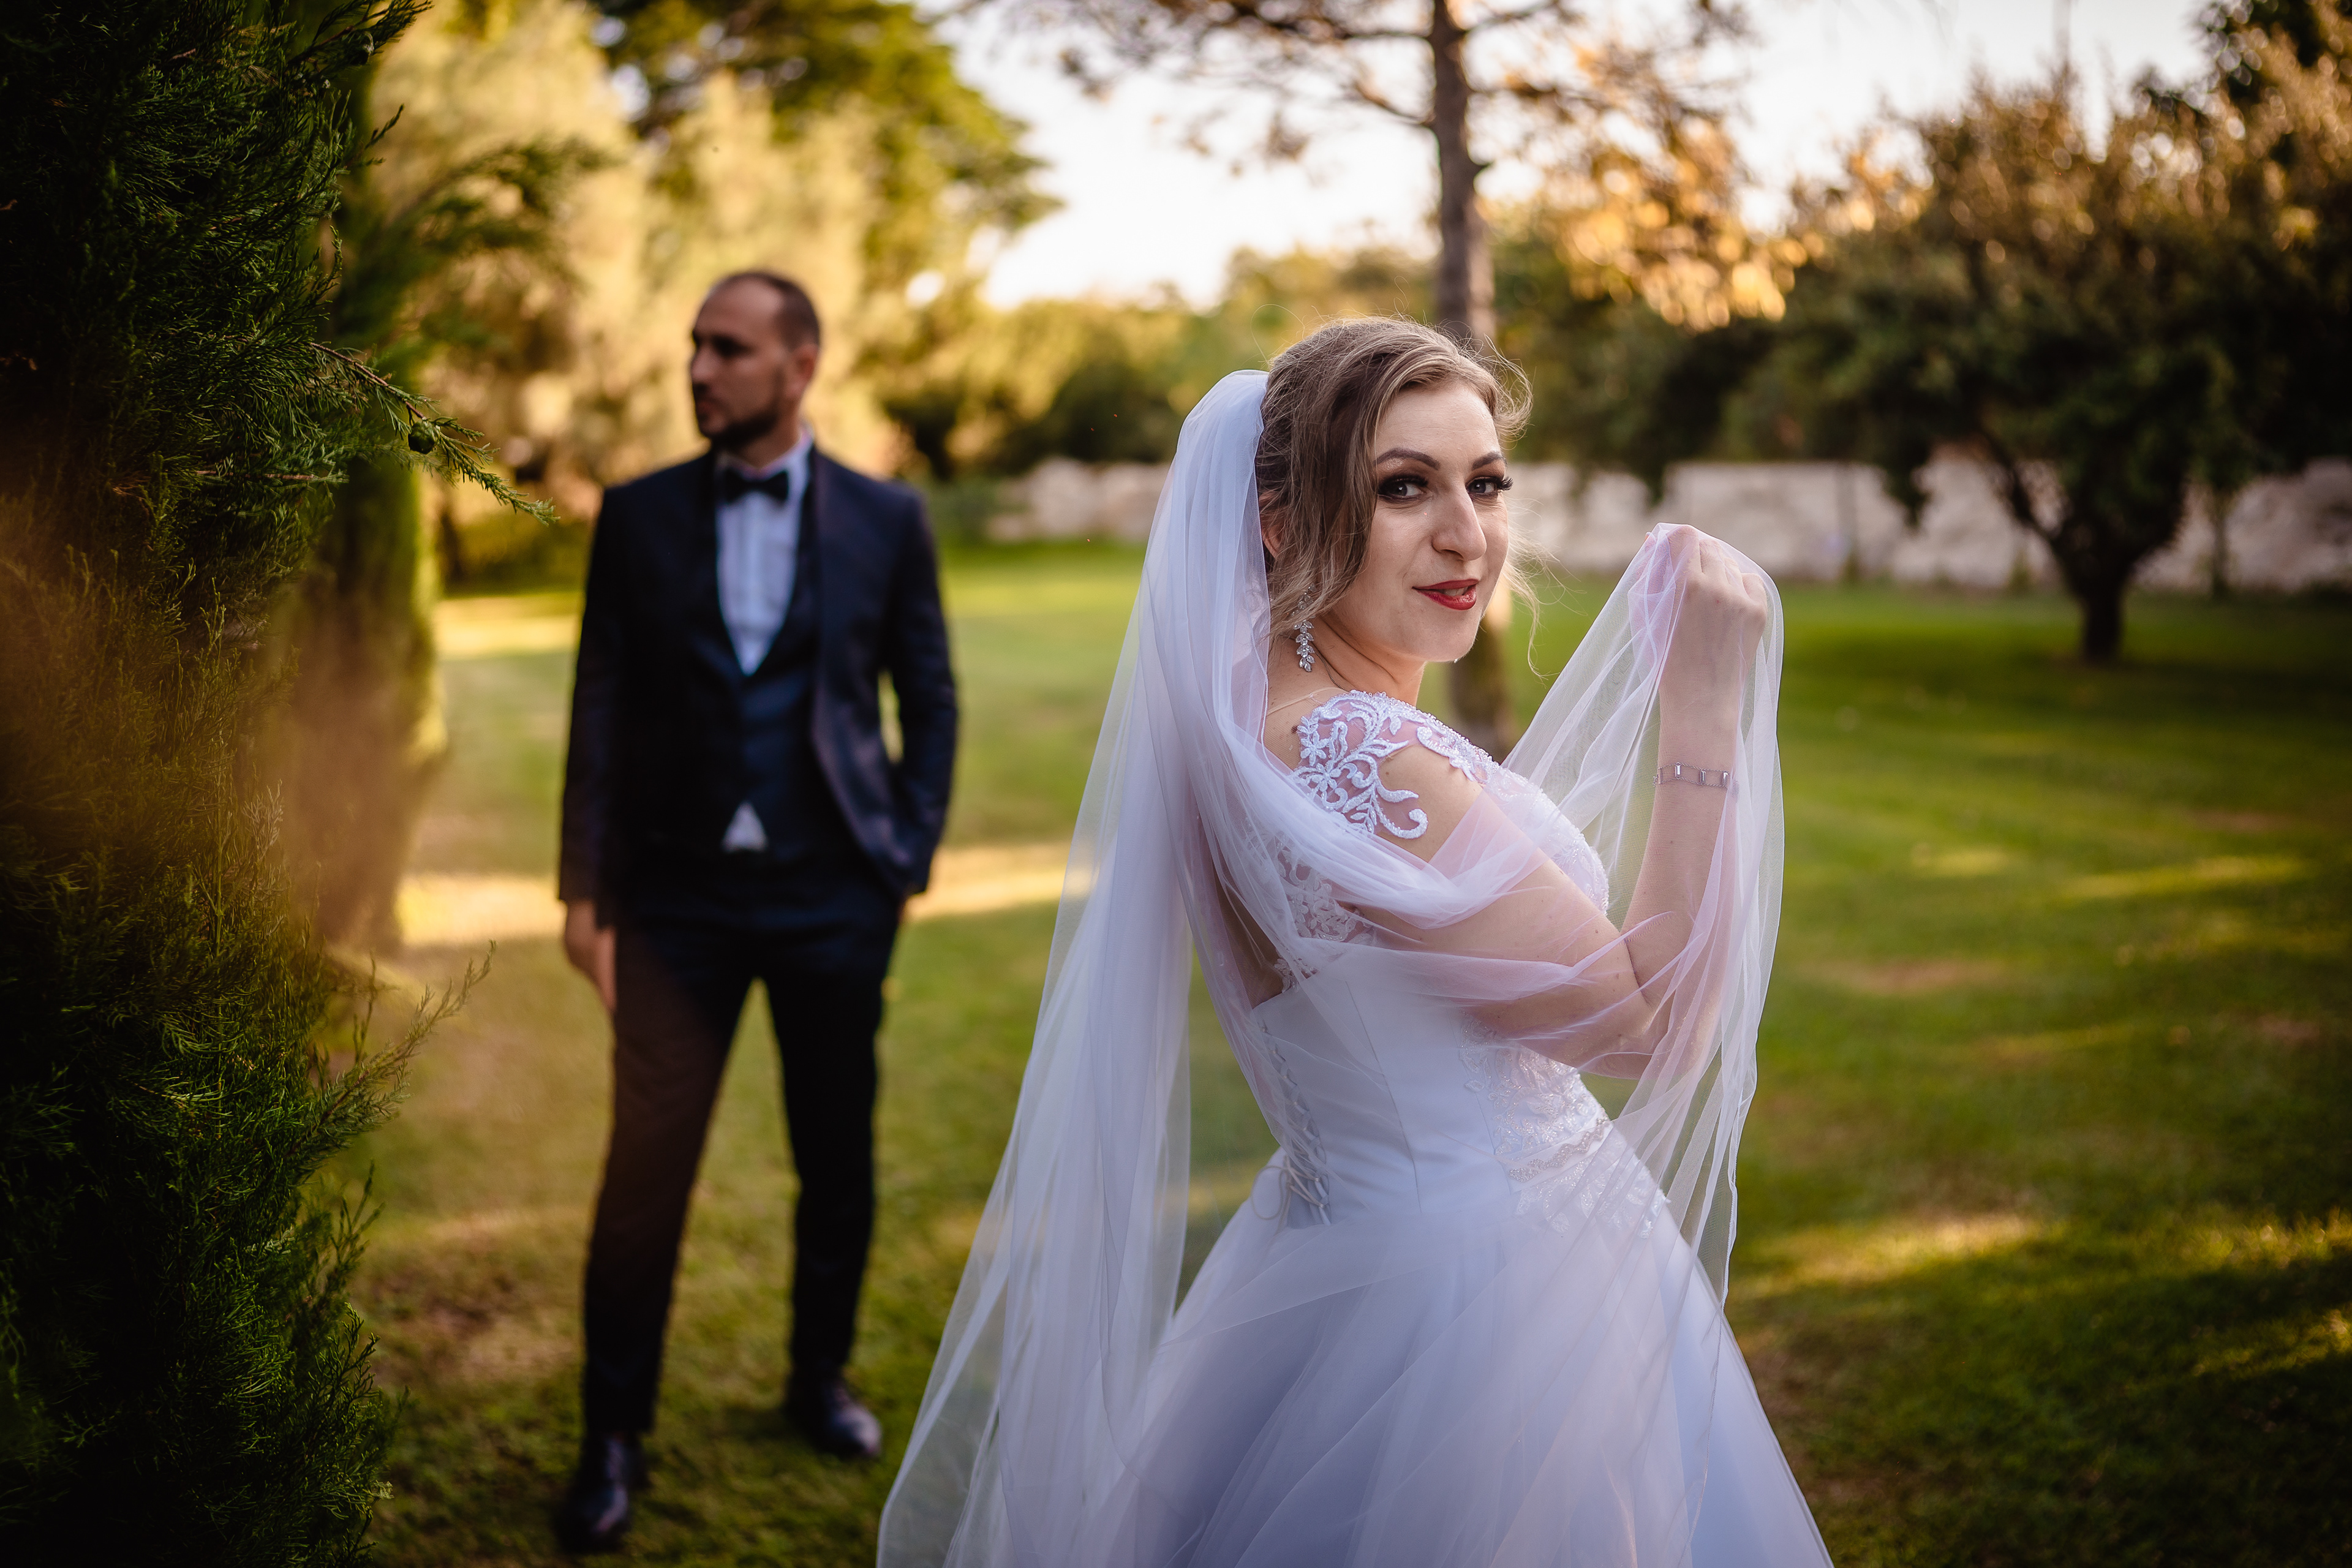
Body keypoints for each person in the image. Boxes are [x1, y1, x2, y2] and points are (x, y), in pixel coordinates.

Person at [880, 320, 1830, 1566]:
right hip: (1491, 1302)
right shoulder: (1356, 751)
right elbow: (1648, 1026)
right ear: (1280, 523)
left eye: (1486, 481)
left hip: (1345, 1251)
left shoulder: (1247, 717)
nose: (1467, 534)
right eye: (1403, 488)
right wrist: (1703, 703)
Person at [554, 271, 956, 1553]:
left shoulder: (888, 518)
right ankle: (612, 1433)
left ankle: (815, 1378)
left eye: (728, 348)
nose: (700, 368)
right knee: (643, 1169)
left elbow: (928, 697)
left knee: (836, 1156)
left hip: (834, 892)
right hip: (675, 899)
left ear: (800, 365)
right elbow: (600, 703)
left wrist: (903, 860)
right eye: (695, 346)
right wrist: (583, 890)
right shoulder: (638, 515)